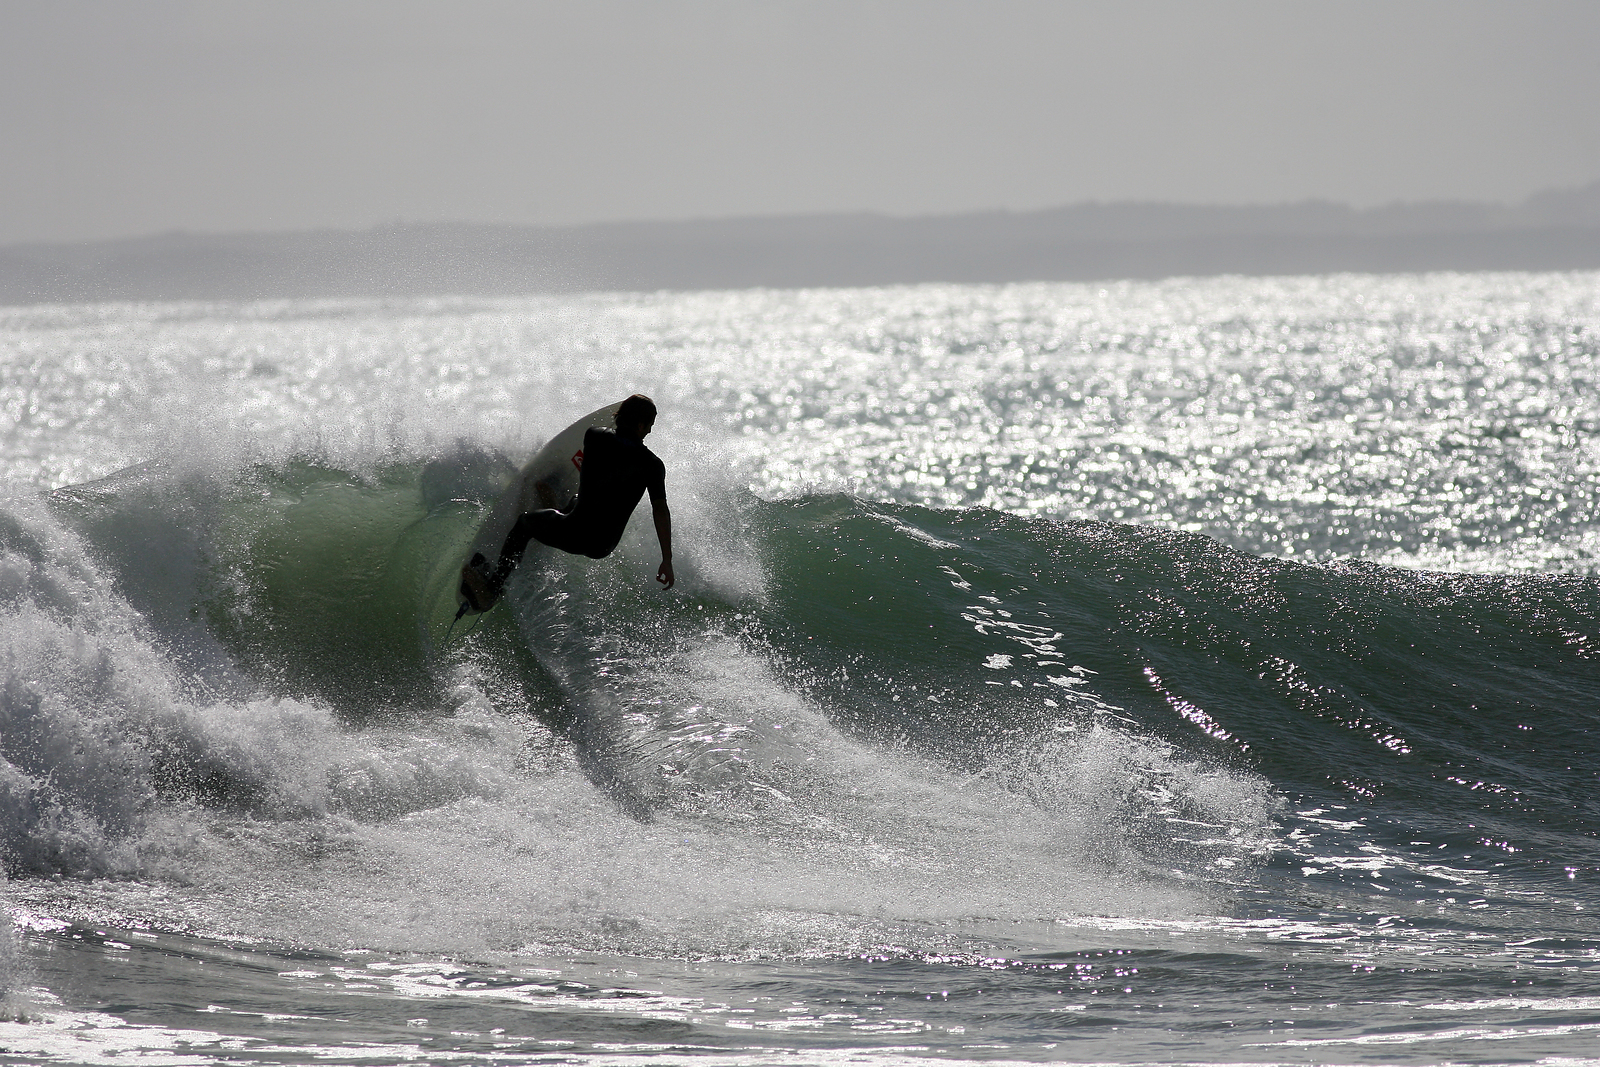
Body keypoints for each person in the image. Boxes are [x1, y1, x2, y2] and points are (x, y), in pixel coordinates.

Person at [459, 394, 674, 611]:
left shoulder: (595, 437)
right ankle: (557, 507)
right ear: (640, 425)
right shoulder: (653, 465)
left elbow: (601, 457)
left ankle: (493, 589)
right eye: (649, 426)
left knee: (524, 524)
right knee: (577, 500)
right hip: (602, 545)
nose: (649, 431)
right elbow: (661, 511)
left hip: (574, 532)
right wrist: (667, 560)